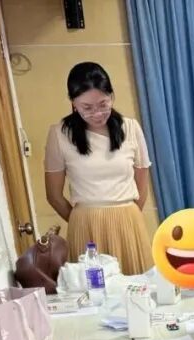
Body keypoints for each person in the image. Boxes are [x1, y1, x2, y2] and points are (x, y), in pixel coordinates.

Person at [45, 62, 152, 274]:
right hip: (85, 226)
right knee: (93, 289)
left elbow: (142, 184)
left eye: (103, 104)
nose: (97, 113)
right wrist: (81, 219)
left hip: (129, 222)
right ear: (73, 103)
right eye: (87, 107)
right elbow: (54, 196)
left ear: (111, 96)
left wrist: (127, 217)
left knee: (136, 286)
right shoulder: (59, 134)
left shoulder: (130, 128)